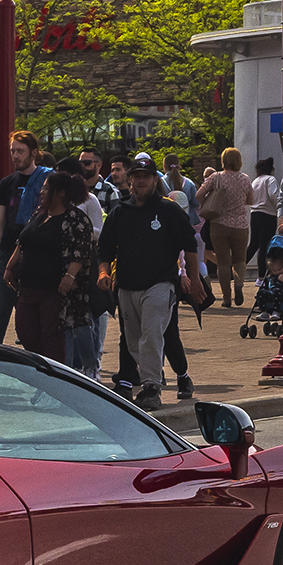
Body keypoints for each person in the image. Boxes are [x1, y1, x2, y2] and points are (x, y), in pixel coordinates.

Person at [101, 160, 199, 404]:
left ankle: (152, 388)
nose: (142, 180)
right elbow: (104, 248)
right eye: (137, 176)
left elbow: (190, 244)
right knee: (133, 339)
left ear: (156, 180)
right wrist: (103, 273)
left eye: (147, 176)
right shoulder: (120, 212)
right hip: (126, 285)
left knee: (152, 334)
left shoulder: (169, 210)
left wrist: (194, 279)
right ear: (129, 180)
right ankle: (151, 378)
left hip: (160, 284)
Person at [7, 170, 97, 371]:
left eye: (46, 188)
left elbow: (82, 250)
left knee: (52, 337)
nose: (42, 192)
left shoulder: (76, 219)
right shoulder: (39, 216)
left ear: (60, 193)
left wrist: (70, 275)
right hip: (28, 287)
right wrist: (10, 266)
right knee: (25, 331)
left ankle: (55, 376)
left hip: (54, 291)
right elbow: (22, 242)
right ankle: (40, 370)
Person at [0, 132, 41, 342]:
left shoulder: (46, 179)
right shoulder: (7, 183)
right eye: (12, 151)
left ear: (33, 152)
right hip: (7, 249)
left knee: (31, 315)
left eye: (20, 151)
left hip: (35, 252)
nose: (15, 156)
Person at [198, 148, 253, 308]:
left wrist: (210, 201)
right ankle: (239, 285)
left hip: (219, 224)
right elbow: (251, 200)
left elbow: (198, 195)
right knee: (240, 259)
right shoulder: (245, 179)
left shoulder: (215, 178)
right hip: (241, 225)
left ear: (223, 161)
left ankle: (227, 298)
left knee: (222, 262)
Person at [247, 157, 281, 282]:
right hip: (268, 214)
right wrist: (280, 205)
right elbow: (273, 195)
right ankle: (262, 276)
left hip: (254, 213)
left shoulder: (255, 181)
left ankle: (236, 268)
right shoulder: (270, 179)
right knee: (265, 246)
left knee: (254, 244)